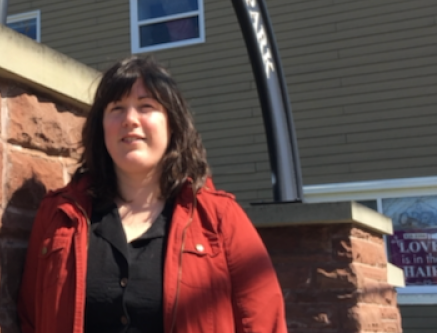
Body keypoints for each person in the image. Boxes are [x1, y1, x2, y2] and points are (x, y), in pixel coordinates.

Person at [18, 56, 286, 333]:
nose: (130, 120)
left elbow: (264, 321)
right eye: (117, 108)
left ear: (172, 124)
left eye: (146, 107)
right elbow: (30, 317)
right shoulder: (59, 216)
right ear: (101, 126)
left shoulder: (220, 219)